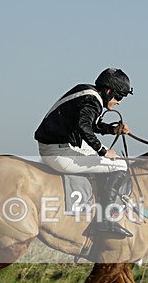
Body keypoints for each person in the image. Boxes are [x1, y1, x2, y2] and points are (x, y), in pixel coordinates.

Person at [34, 68, 134, 238]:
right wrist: (102, 150)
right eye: (119, 97)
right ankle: (105, 221)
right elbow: (84, 126)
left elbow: (91, 124)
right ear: (109, 91)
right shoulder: (92, 100)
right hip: (59, 152)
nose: (119, 102)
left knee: (114, 160)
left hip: (57, 146)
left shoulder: (88, 94)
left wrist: (113, 129)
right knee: (121, 164)